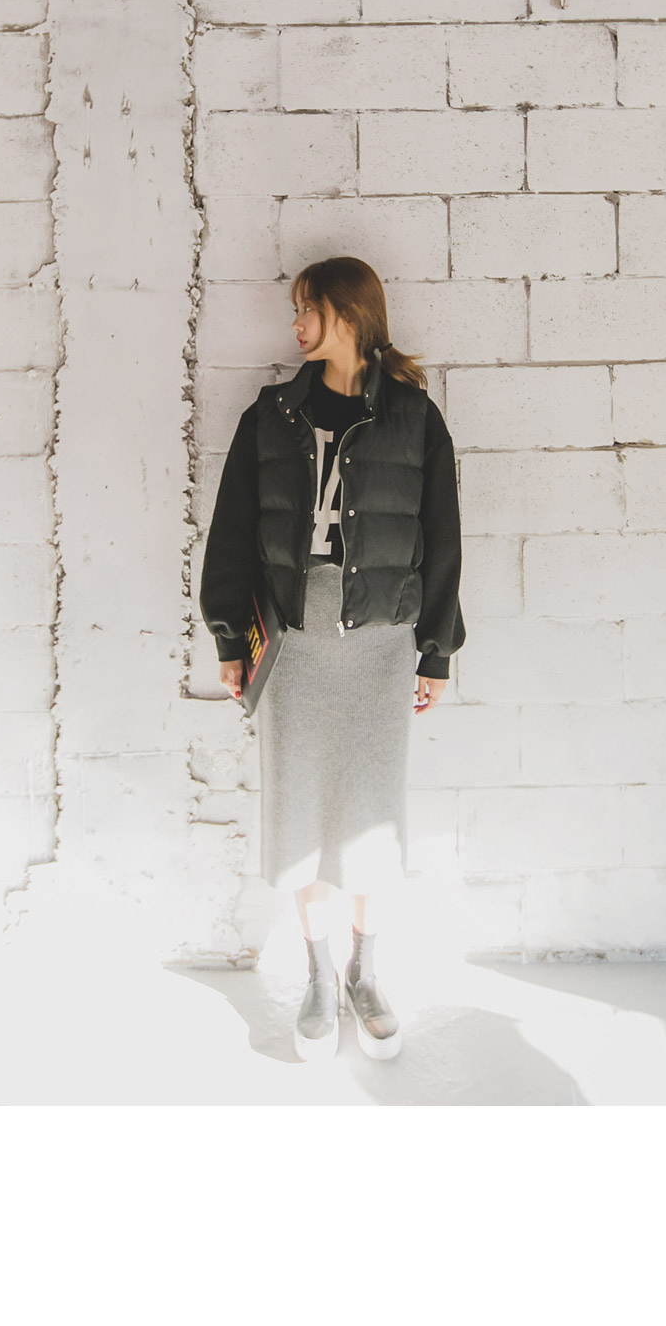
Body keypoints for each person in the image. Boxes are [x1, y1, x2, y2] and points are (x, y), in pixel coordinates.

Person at [199, 256, 465, 1062]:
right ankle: (317, 977)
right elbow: (232, 528)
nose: (295, 324)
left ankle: (365, 973)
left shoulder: (415, 418)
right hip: (295, 637)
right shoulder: (271, 415)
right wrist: (229, 638)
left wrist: (436, 651)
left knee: (373, 818)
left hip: (382, 641)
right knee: (303, 815)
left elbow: (444, 539)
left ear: (347, 315)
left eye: (306, 309)